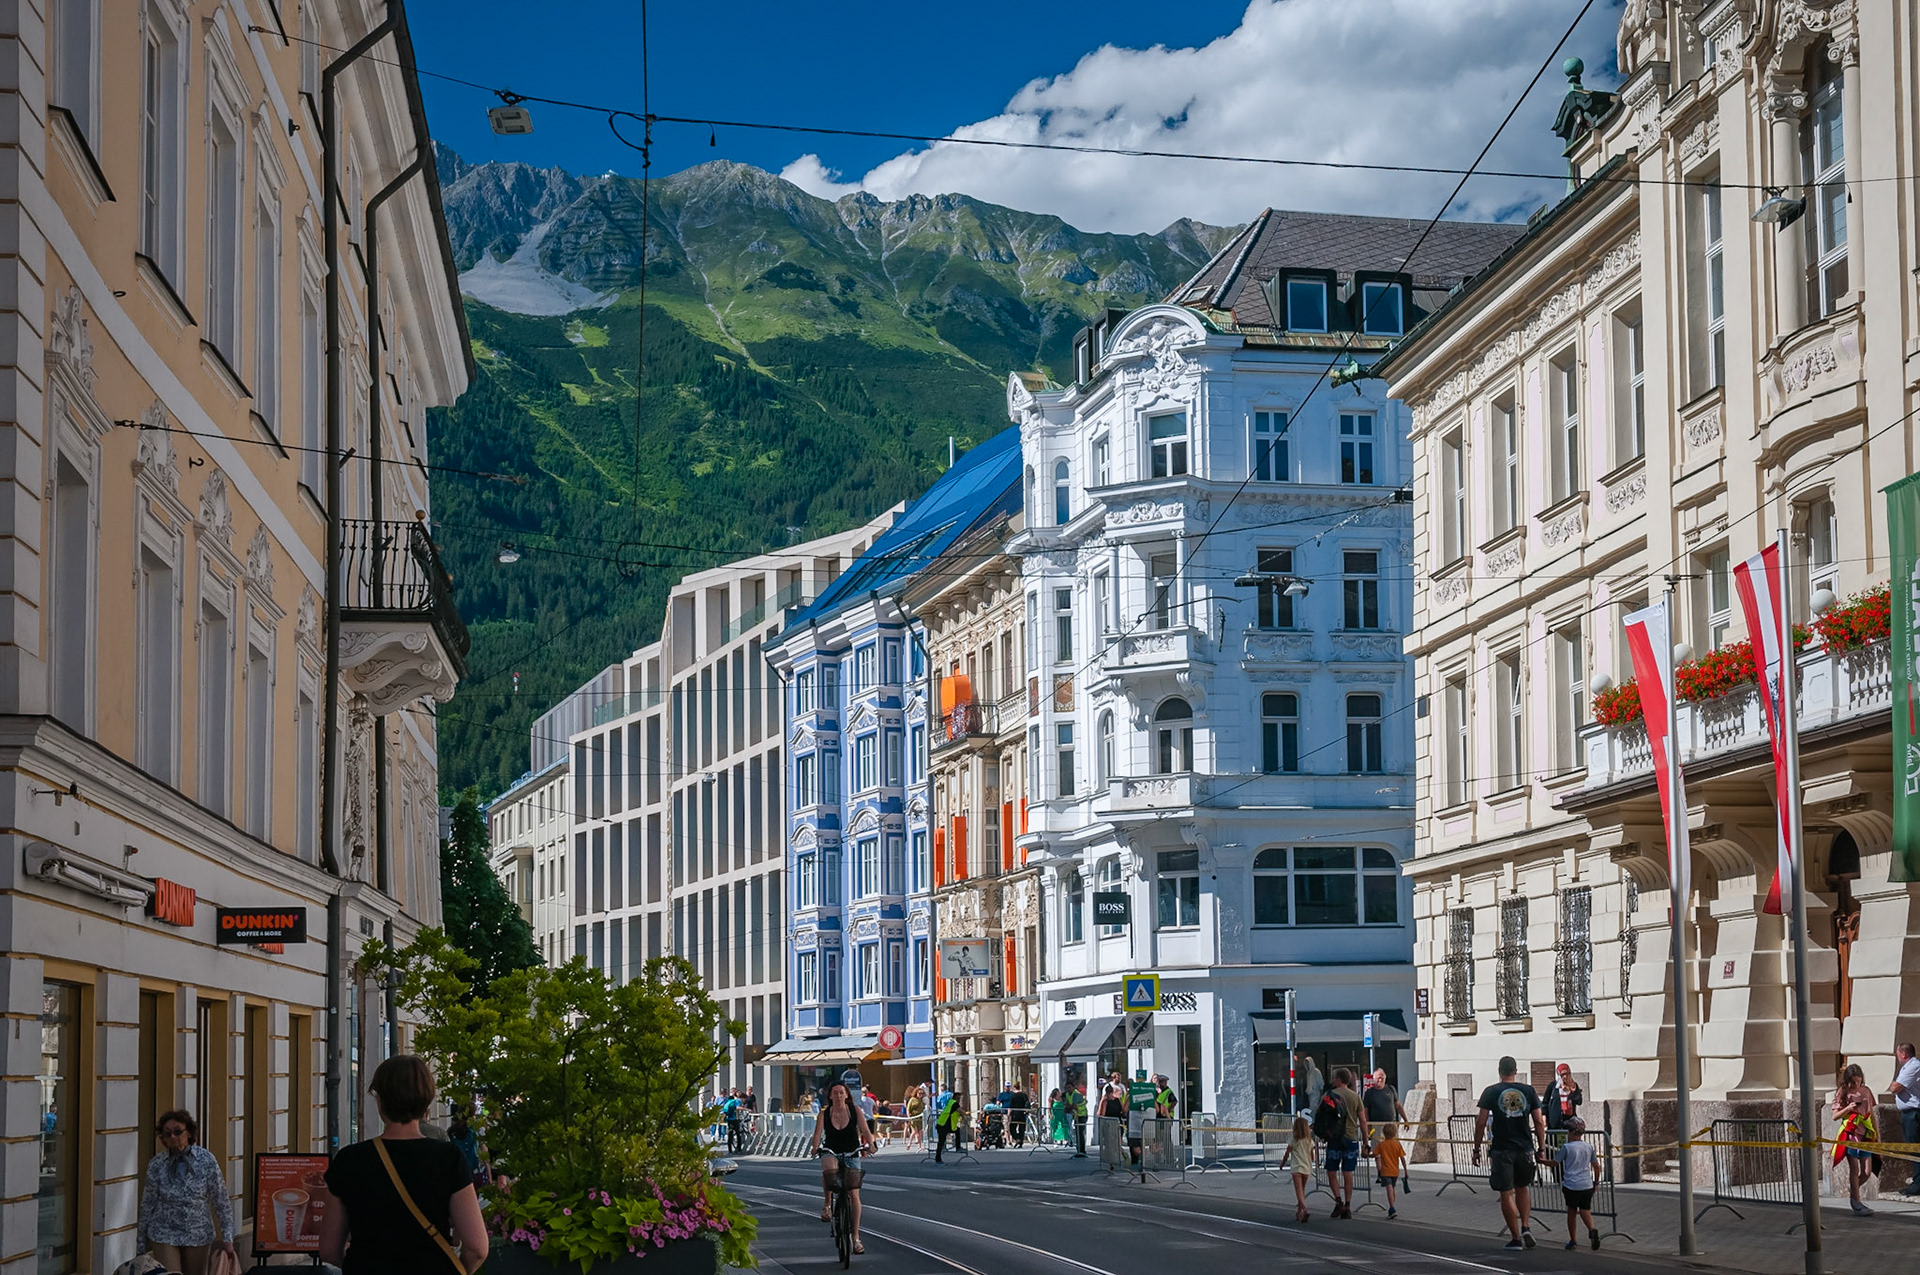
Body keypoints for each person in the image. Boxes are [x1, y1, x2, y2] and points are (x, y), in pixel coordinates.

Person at [320, 1055, 489, 1274]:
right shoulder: (448, 1158)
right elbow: (477, 1248)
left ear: (380, 1100)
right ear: (426, 1102)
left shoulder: (350, 1160)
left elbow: (329, 1250)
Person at [136, 1109, 237, 1275]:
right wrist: (140, 1243)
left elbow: (221, 1200)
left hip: (197, 1233)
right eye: (167, 1134)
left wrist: (228, 1237)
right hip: (164, 1233)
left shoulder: (206, 1160)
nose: (172, 1137)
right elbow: (147, 1203)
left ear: (189, 1132)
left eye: (177, 1132)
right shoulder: (157, 1164)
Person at [1472, 1054, 1547, 1251]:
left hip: (1501, 1149)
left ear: (1499, 1071)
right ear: (1516, 1071)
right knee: (1522, 1188)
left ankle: (1515, 1239)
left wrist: (1476, 1149)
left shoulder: (1491, 1092)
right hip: (1525, 1148)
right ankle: (1526, 1226)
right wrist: (1541, 1148)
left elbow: (1481, 1122)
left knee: (1506, 1193)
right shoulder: (1529, 1091)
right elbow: (1539, 1121)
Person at [809, 1078, 876, 1256]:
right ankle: (827, 1206)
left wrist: (871, 1144)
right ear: (830, 1096)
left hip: (852, 1151)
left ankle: (856, 1238)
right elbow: (817, 1134)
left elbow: (865, 1130)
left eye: (841, 1093)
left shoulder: (855, 1110)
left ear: (846, 1095)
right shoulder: (824, 1114)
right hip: (831, 1150)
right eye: (835, 1093)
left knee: (854, 1194)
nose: (838, 1096)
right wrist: (815, 1147)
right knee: (829, 1170)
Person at [1317, 1068, 1367, 1219]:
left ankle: (1338, 1202)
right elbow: (1363, 1120)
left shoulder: (1329, 1095)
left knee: (1331, 1171)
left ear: (1339, 1079)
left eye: (1334, 1078)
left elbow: (1320, 1114)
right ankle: (1348, 1206)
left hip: (1335, 1138)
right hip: (1351, 1139)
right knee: (1348, 1173)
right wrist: (1365, 1141)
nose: (1332, 1080)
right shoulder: (1355, 1097)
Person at [1832, 1062, 1878, 1216]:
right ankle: (1856, 1202)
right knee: (1854, 1168)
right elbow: (1835, 1116)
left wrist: (1877, 1135)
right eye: (1853, 1082)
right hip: (1850, 1134)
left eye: (1859, 1081)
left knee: (1867, 1171)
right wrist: (1848, 1108)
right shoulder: (1843, 1092)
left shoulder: (1866, 1091)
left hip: (1865, 1134)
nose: (1856, 1085)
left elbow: (1871, 1114)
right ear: (1847, 1080)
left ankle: (1854, 1189)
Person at [1553, 1117, 1600, 1250]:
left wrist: (1542, 1161)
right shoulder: (1589, 1147)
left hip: (1571, 1184)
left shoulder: (1567, 1147)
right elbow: (1596, 1166)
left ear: (1571, 1132)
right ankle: (1591, 1229)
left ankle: (1573, 1240)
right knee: (1585, 1210)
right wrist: (1596, 1182)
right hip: (1586, 1184)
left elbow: (1555, 1162)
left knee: (1572, 1211)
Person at [1362, 1069, 1408, 1190]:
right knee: (1377, 1149)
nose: (1380, 1078)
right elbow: (1365, 1110)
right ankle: (1380, 1173)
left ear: (1385, 1078)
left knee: (1393, 1148)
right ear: (1373, 1078)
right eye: (1378, 1076)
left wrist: (1405, 1119)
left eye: (1382, 1076)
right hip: (1376, 1125)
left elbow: (1398, 1105)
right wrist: (1367, 1125)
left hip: (1391, 1125)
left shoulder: (1391, 1089)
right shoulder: (1369, 1093)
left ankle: (1392, 1172)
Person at [1893, 1042, 1920, 1197]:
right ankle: (1917, 1181)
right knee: (1912, 1149)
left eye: (1898, 1054)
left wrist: (1894, 1085)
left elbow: (1895, 1087)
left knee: (1915, 1149)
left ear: (1903, 1054)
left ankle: (1918, 1184)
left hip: (1914, 1113)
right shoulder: (1907, 1067)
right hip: (1909, 1113)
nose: (1897, 1057)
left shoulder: (1913, 1066)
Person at [1286, 1113, 1316, 1223]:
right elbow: (1312, 1156)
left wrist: (1283, 1163)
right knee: (1302, 1190)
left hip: (1296, 1168)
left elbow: (1287, 1152)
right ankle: (1299, 1212)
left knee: (1298, 1191)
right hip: (1306, 1168)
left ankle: (1305, 1209)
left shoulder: (1293, 1140)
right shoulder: (1309, 1141)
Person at [1374, 1121, 1407, 1219]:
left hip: (1385, 1171)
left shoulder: (1382, 1145)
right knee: (1392, 1188)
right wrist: (1406, 1170)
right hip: (1395, 1171)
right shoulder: (1397, 1144)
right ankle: (1392, 1206)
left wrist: (1366, 1154)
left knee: (1389, 1187)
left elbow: (1374, 1154)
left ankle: (1392, 1207)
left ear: (1384, 1133)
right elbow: (1402, 1158)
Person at [1544, 1063, 1583, 1132]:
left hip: (1569, 1123)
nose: (1565, 1076)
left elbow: (1579, 1101)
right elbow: (1545, 1102)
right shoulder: (1553, 1086)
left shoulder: (1573, 1086)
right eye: (1563, 1074)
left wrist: (1569, 1092)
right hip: (1554, 1124)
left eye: (1567, 1074)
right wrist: (1544, 1117)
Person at [933, 1087, 963, 1163]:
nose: (959, 1100)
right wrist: (965, 1114)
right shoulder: (954, 1103)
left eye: (960, 1098)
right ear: (955, 1098)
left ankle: (958, 1147)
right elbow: (960, 1111)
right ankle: (938, 1158)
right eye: (958, 1098)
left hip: (944, 1124)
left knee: (957, 1130)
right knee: (941, 1142)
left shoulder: (951, 1103)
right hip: (943, 1124)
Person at [1067, 1080, 1090, 1158]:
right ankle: (1079, 1149)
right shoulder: (1068, 1095)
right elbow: (1067, 1104)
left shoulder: (1076, 1094)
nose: (1068, 1089)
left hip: (1082, 1115)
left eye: (1069, 1087)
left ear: (1073, 1087)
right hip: (1076, 1116)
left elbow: (1074, 1106)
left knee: (1080, 1133)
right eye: (1067, 1088)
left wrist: (1068, 1107)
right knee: (1077, 1133)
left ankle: (1082, 1150)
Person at [904, 1084, 927, 1150]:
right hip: (913, 1117)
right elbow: (908, 1109)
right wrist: (909, 1117)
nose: (920, 1095)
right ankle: (909, 1144)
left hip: (920, 1118)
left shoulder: (921, 1100)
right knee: (914, 1131)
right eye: (919, 1093)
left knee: (920, 1132)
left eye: (922, 1094)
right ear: (916, 1093)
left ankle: (919, 1146)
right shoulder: (912, 1099)